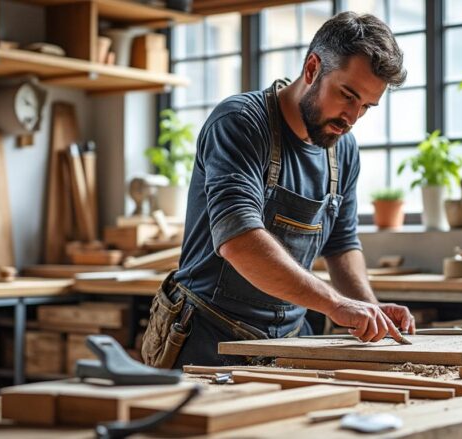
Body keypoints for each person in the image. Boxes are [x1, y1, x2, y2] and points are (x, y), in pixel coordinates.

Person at [141, 11, 416, 368]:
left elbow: (341, 244)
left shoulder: (343, 149)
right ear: (312, 68)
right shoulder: (241, 122)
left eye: (366, 106)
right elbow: (239, 240)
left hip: (288, 342)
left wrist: (369, 308)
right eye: (347, 95)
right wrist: (335, 304)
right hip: (208, 338)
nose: (351, 118)